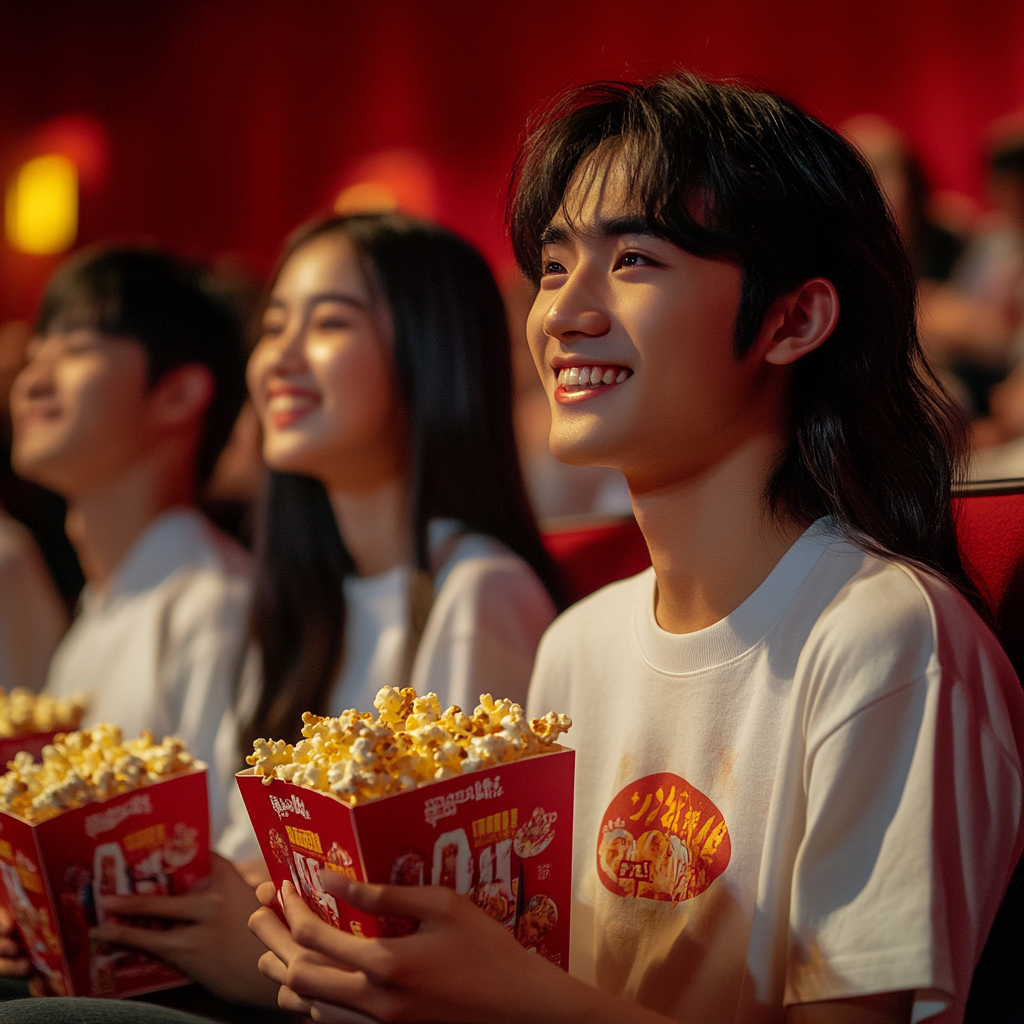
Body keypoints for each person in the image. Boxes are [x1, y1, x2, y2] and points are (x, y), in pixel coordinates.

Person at [240, 73, 1024, 1024]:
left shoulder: (887, 641)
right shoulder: (577, 645)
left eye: (638, 260)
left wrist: (505, 996)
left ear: (795, 320)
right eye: (557, 266)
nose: (563, 313)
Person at [62, 214, 561, 1007]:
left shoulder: (476, 592)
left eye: (329, 324)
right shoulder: (297, 603)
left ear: (431, 355)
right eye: (273, 326)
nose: (279, 360)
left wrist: (254, 953)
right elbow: (240, 854)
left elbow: (458, 924)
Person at [0, 247, 249, 987]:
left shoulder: (214, 605)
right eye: (33, 353)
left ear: (177, 396)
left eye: (74, 349)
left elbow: (217, 872)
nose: (30, 378)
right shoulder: (101, 609)